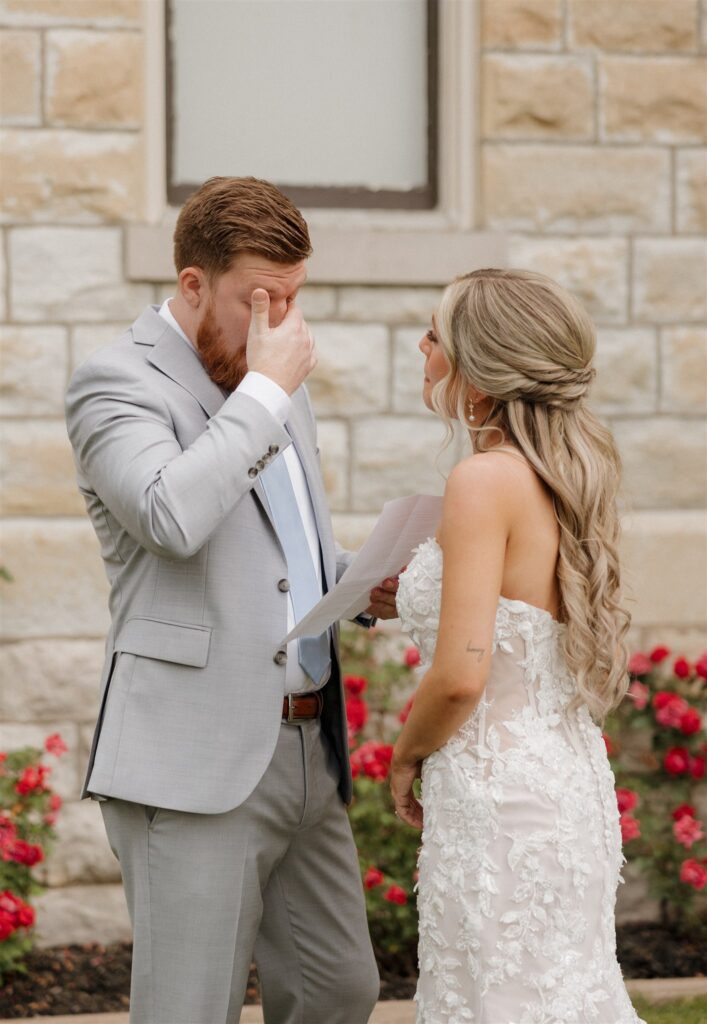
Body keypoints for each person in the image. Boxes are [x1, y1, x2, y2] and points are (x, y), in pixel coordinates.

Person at [65, 176, 398, 1024]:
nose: (280, 320)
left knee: (338, 988)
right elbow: (170, 515)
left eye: (290, 297)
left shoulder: (272, 379)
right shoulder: (116, 383)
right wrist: (263, 394)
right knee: (190, 1009)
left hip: (305, 751)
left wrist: (364, 584)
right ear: (192, 284)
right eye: (260, 298)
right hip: (193, 757)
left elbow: (288, 550)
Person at [389, 269, 645, 1023]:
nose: (422, 346)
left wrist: (406, 756)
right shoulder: (566, 471)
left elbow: (462, 677)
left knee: (498, 1000)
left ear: (481, 366)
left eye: (435, 333)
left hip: (497, 798)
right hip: (564, 782)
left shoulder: (481, 480)